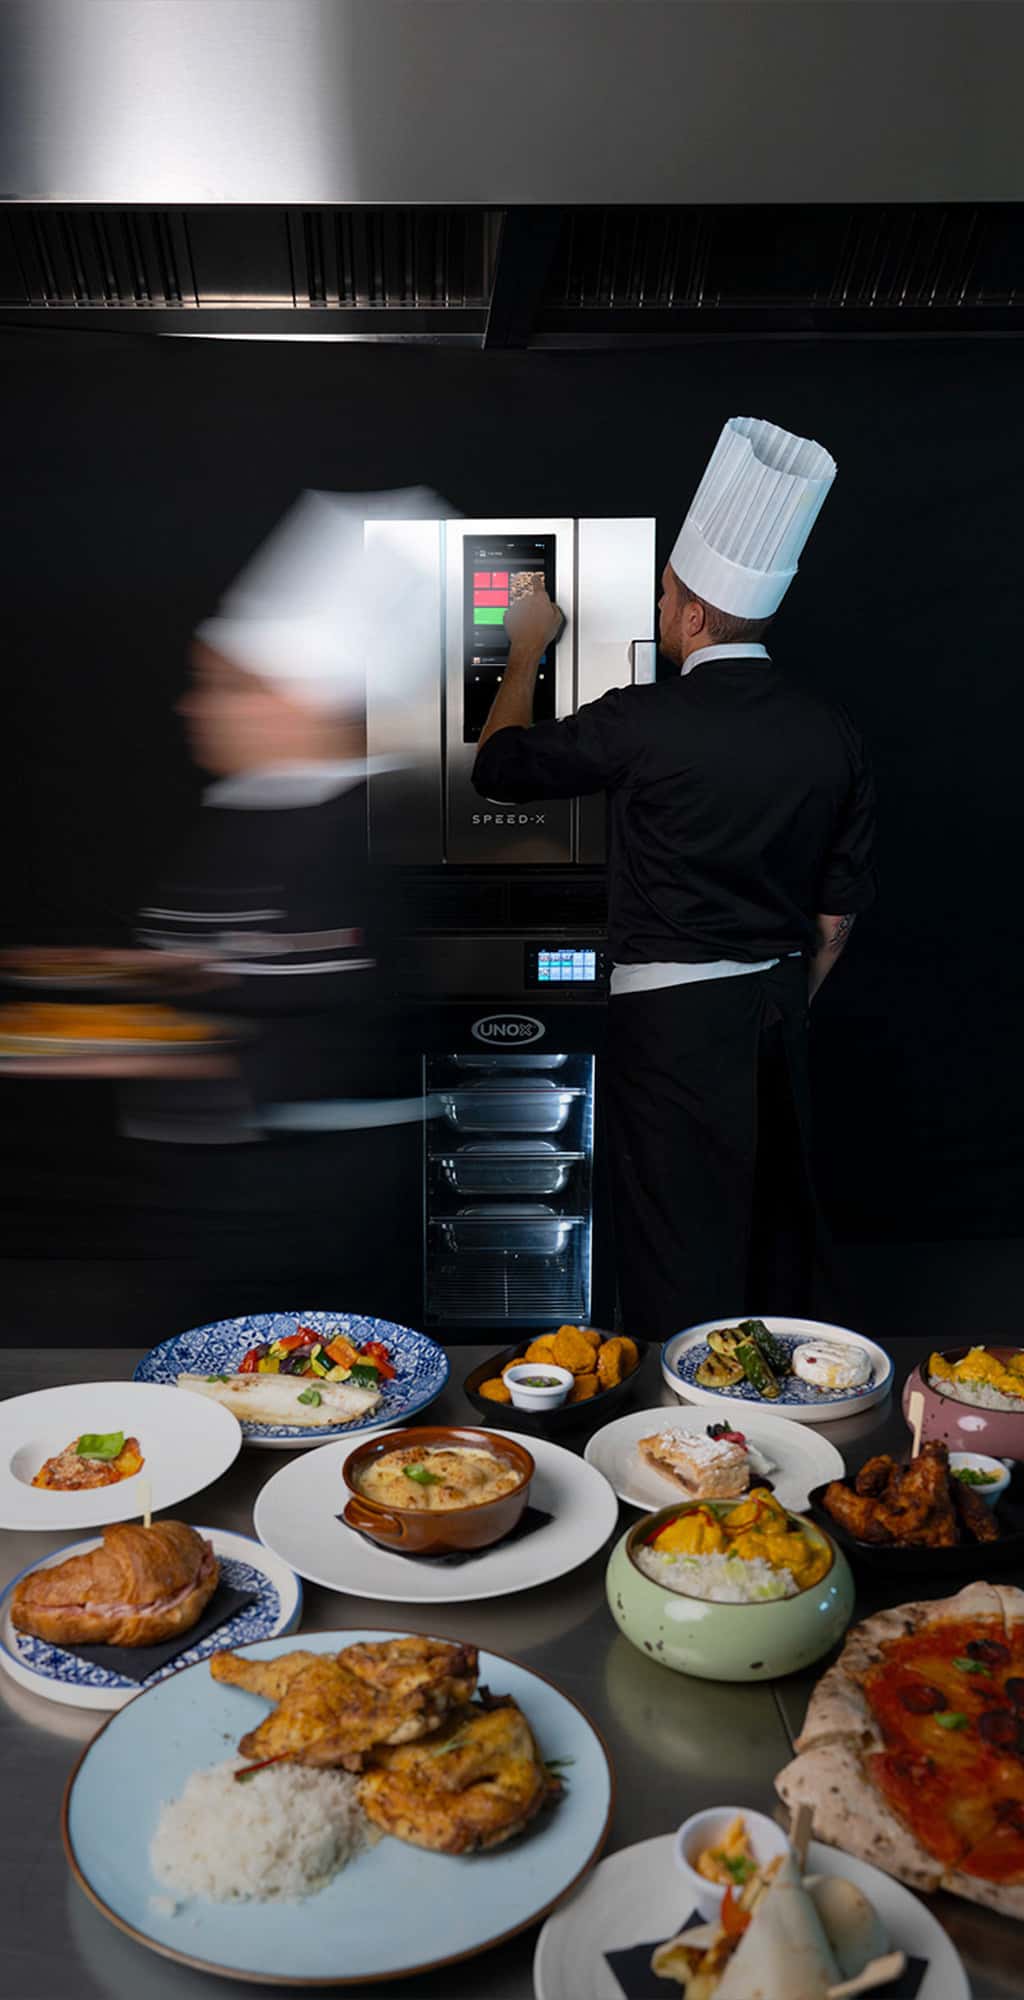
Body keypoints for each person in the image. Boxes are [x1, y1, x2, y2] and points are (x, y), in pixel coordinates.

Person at [471, 417, 876, 1341]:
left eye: (664, 598)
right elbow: (837, 913)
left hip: (669, 1021)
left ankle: (679, 1445)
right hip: (778, 1011)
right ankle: (776, 1433)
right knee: (771, 1235)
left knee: (673, 1240)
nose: (660, 614)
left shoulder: (644, 718)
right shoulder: (830, 729)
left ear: (693, 615)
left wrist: (526, 643)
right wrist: (778, 999)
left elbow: (498, 769)